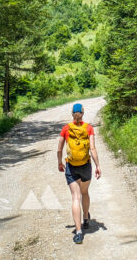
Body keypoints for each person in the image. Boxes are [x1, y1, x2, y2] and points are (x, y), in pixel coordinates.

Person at [57, 103, 101, 244]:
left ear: (72, 113)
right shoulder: (88, 128)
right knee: (84, 193)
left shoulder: (66, 128)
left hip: (71, 166)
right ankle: (86, 219)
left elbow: (59, 149)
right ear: (82, 113)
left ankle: (78, 232)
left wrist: (60, 162)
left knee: (75, 198)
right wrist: (98, 165)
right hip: (85, 165)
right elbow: (92, 148)